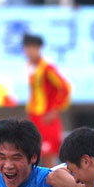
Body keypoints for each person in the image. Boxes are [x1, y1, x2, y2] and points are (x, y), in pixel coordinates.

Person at [22, 33, 71, 168]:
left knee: (48, 157)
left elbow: (65, 88)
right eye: (27, 48)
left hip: (46, 117)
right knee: (33, 155)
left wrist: (55, 110)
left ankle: (52, 185)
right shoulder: (30, 66)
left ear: (38, 49)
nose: (29, 52)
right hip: (34, 116)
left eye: (32, 48)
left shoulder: (47, 67)